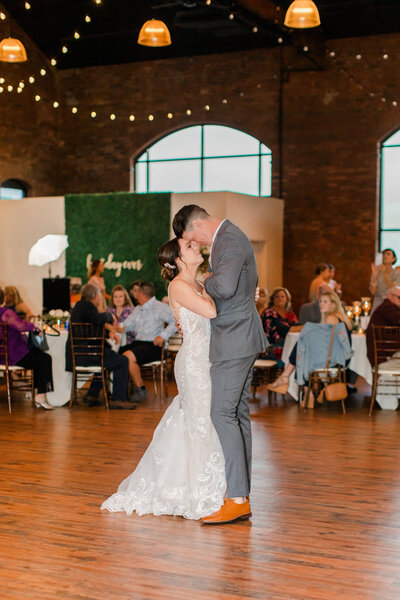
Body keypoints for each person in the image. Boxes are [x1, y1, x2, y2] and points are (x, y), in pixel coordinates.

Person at [101, 237, 226, 519]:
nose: (197, 248)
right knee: (199, 421)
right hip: (194, 362)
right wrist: (216, 287)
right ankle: (195, 491)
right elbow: (211, 311)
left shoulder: (198, 284)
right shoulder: (179, 285)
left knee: (203, 421)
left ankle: (203, 484)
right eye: (190, 247)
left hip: (207, 359)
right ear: (178, 259)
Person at [173, 205, 267, 525]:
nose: (195, 244)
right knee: (237, 414)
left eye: (190, 237)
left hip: (234, 339)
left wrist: (203, 279)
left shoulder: (228, 240)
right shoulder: (230, 238)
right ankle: (239, 491)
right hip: (239, 337)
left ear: (197, 225)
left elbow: (224, 287)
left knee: (221, 413)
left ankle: (237, 498)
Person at [66, 283, 135, 409]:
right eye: (99, 295)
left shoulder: (79, 307)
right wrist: (110, 316)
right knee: (122, 361)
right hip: (88, 354)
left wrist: (108, 332)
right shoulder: (87, 306)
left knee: (108, 358)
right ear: (94, 296)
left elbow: (94, 325)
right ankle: (118, 399)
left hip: (79, 354)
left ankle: (92, 395)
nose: (100, 298)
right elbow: (98, 319)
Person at [268, 290, 351, 395]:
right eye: (320, 301)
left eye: (325, 302)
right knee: (302, 352)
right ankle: (303, 390)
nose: (321, 304)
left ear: (333, 305)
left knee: (301, 350)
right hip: (336, 356)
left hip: (335, 359)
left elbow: (325, 345)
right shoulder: (338, 317)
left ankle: (292, 382)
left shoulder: (331, 318)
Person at [119, 282, 177, 403]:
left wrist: (163, 336)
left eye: (137, 291)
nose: (135, 294)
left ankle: (141, 388)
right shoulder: (138, 309)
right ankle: (119, 391)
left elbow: (177, 320)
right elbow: (126, 326)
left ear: (142, 293)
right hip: (139, 344)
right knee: (114, 354)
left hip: (154, 346)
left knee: (129, 356)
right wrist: (116, 328)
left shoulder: (160, 307)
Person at [0, 287, 54, 409]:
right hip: (13, 354)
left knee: (39, 356)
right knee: (45, 359)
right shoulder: (5, 312)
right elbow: (19, 326)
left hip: (2, 356)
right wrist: (34, 326)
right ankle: (40, 396)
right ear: (3, 299)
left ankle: (37, 393)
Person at [260, 287, 299, 367]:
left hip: (285, 345)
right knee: (295, 353)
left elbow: (297, 325)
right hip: (271, 348)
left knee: (300, 350)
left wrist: (304, 326)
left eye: (282, 296)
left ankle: (294, 377)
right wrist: (306, 327)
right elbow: (284, 330)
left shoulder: (289, 313)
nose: (280, 299)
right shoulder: (269, 313)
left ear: (287, 299)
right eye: (277, 296)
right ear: (272, 299)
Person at [366, 286, 400, 366]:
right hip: (383, 356)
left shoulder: (387, 307)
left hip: (382, 354)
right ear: (391, 296)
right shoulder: (387, 307)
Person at [370, 249, 400, 313]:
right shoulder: (377, 272)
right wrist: (374, 275)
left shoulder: (397, 272)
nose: (385, 256)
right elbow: (373, 291)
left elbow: (394, 290)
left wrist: (384, 273)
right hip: (378, 303)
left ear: (394, 259)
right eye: (383, 254)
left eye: (388, 254)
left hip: (392, 303)